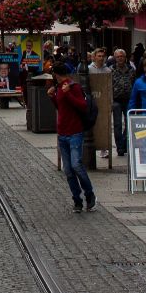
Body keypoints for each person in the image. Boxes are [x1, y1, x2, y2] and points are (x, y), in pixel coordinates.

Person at [50, 65, 97, 213]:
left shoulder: (73, 87)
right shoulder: (58, 88)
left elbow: (82, 106)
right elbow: (60, 107)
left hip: (75, 132)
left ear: (57, 74)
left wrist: (68, 94)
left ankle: (89, 195)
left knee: (76, 165)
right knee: (68, 170)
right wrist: (52, 97)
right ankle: (77, 199)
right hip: (62, 133)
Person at [108, 49, 135, 156]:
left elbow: (133, 83)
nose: (120, 58)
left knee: (128, 123)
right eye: (118, 56)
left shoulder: (131, 69)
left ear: (125, 57)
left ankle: (124, 143)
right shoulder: (111, 70)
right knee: (118, 125)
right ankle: (119, 147)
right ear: (115, 58)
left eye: (122, 56)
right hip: (116, 100)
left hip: (128, 100)